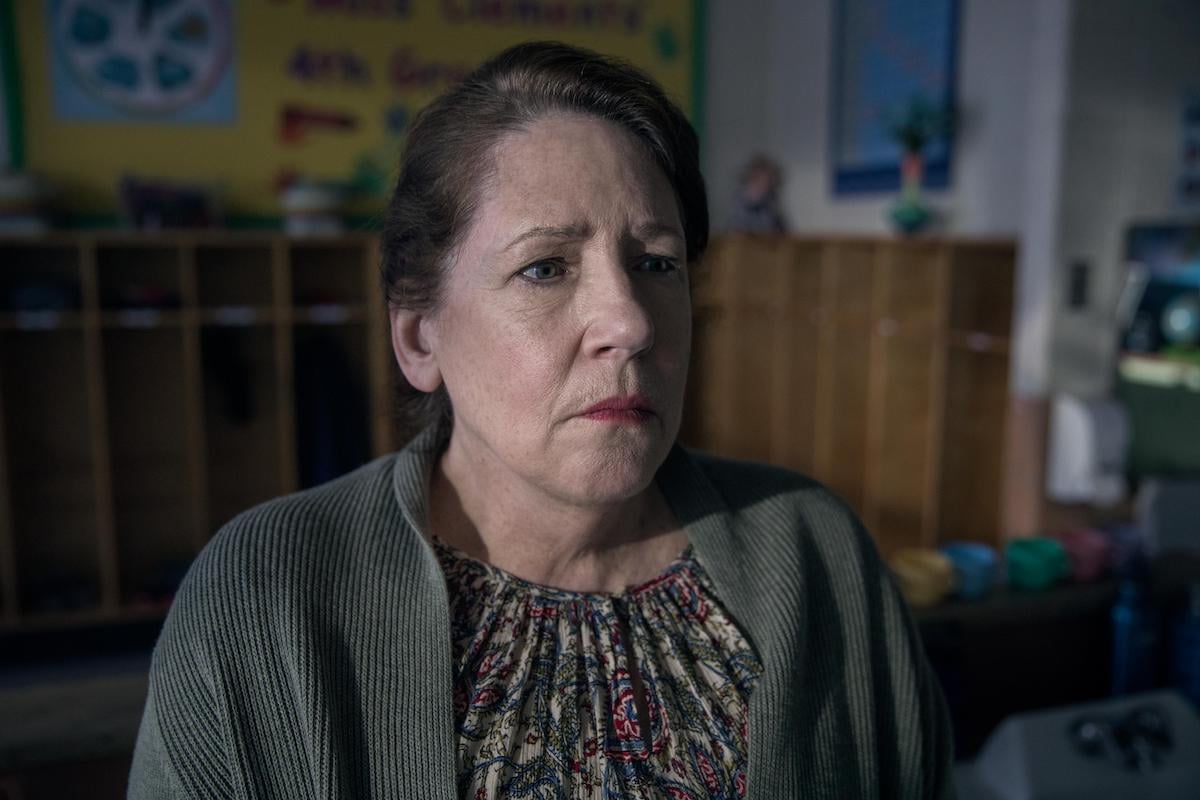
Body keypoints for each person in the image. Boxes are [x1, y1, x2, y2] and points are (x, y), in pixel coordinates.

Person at [128, 42, 954, 799]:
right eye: (546, 267)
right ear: (420, 338)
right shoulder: (269, 598)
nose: (629, 321)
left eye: (656, 263)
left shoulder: (814, 553)